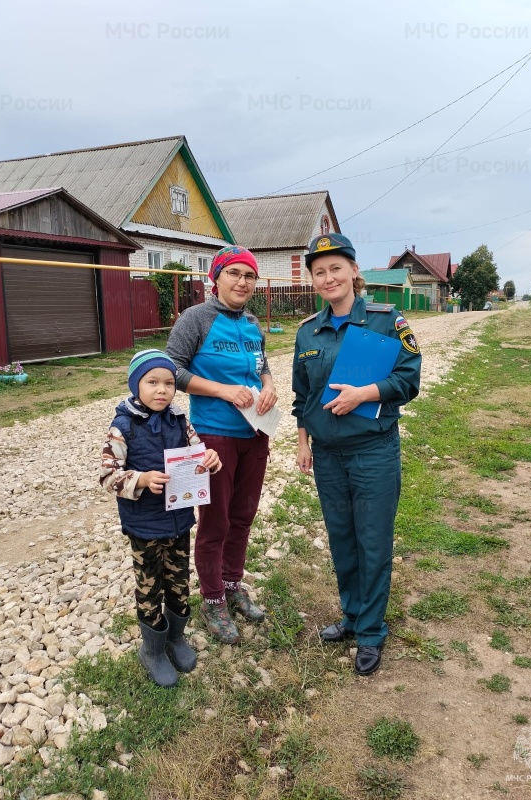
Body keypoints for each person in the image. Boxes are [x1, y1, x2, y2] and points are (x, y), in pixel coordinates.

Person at [292, 234, 422, 676]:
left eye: (335, 268)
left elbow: (409, 379)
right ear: (313, 280)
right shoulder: (308, 331)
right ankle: (351, 615)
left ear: (352, 271)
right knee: (342, 541)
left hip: (373, 451)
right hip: (327, 455)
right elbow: (302, 393)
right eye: (319, 272)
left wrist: (365, 393)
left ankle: (370, 632)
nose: (328, 278)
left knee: (372, 542)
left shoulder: (387, 321)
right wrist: (302, 439)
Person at [166, 245, 278, 645]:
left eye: (249, 276)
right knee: (215, 520)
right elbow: (171, 370)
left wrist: (269, 386)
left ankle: (232, 584)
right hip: (214, 436)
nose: (242, 282)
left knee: (243, 514)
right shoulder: (195, 319)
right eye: (234, 274)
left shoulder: (251, 322)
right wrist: (224, 391)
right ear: (216, 279)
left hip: (256, 432)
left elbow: (262, 364)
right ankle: (212, 598)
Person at [100, 349, 222, 687]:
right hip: (144, 528)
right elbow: (107, 476)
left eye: (169, 383)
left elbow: (198, 453)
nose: (162, 390)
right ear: (135, 385)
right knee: (150, 587)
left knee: (179, 582)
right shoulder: (121, 427)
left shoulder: (180, 421)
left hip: (179, 521)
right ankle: (152, 649)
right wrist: (139, 479)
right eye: (152, 382)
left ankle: (175, 638)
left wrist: (210, 459)